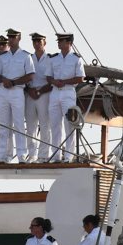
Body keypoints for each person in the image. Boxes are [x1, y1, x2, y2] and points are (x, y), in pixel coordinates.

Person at [0, 28, 34, 163]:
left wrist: (14, 82)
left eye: (13, 37)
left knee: (18, 124)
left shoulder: (25, 56)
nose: (10, 39)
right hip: (3, 91)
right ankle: (1, 154)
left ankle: (21, 154)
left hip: (17, 90)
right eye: (9, 37)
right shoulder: (2, 57)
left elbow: (30, 75)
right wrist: (4, 80)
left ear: (19, 38)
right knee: (3, 124)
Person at [45, 32, 85, 162]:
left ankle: (68, 156)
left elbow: (80, 77)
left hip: (68, 92)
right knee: (54, 125)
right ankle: (56, 155)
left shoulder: (76, 59)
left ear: (69, 43)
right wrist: (54, 81)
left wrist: (64, 82)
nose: (59, 43)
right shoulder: (54, 58)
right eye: (58, 41)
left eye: (61, 41)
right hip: (55, 92)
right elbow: (48, 76)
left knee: (69, 124)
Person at [24, 33, 52, 163]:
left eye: (39, 41)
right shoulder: (28, 58)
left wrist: (40, 91)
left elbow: (52, 79)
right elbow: (24, 77)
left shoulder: (50, 59)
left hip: (44, 93)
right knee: (30, 127)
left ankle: (43, 155)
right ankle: (32, 154)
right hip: (30, 93)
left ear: (44, 43)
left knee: (45, 125)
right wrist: (29, 90)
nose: (36, 44)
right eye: (34, 41)